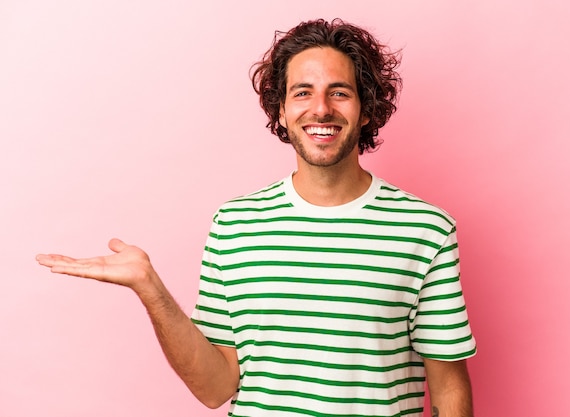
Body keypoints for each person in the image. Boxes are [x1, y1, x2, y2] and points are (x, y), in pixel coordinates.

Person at [36, 18, 476, 417]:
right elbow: (214, 388)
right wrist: (151, 290)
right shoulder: (234, 224)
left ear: (365, 109)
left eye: (339, 92)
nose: (320, 108)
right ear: (281, 110)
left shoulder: (425, 229)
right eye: (302, 92)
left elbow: (448, 391)